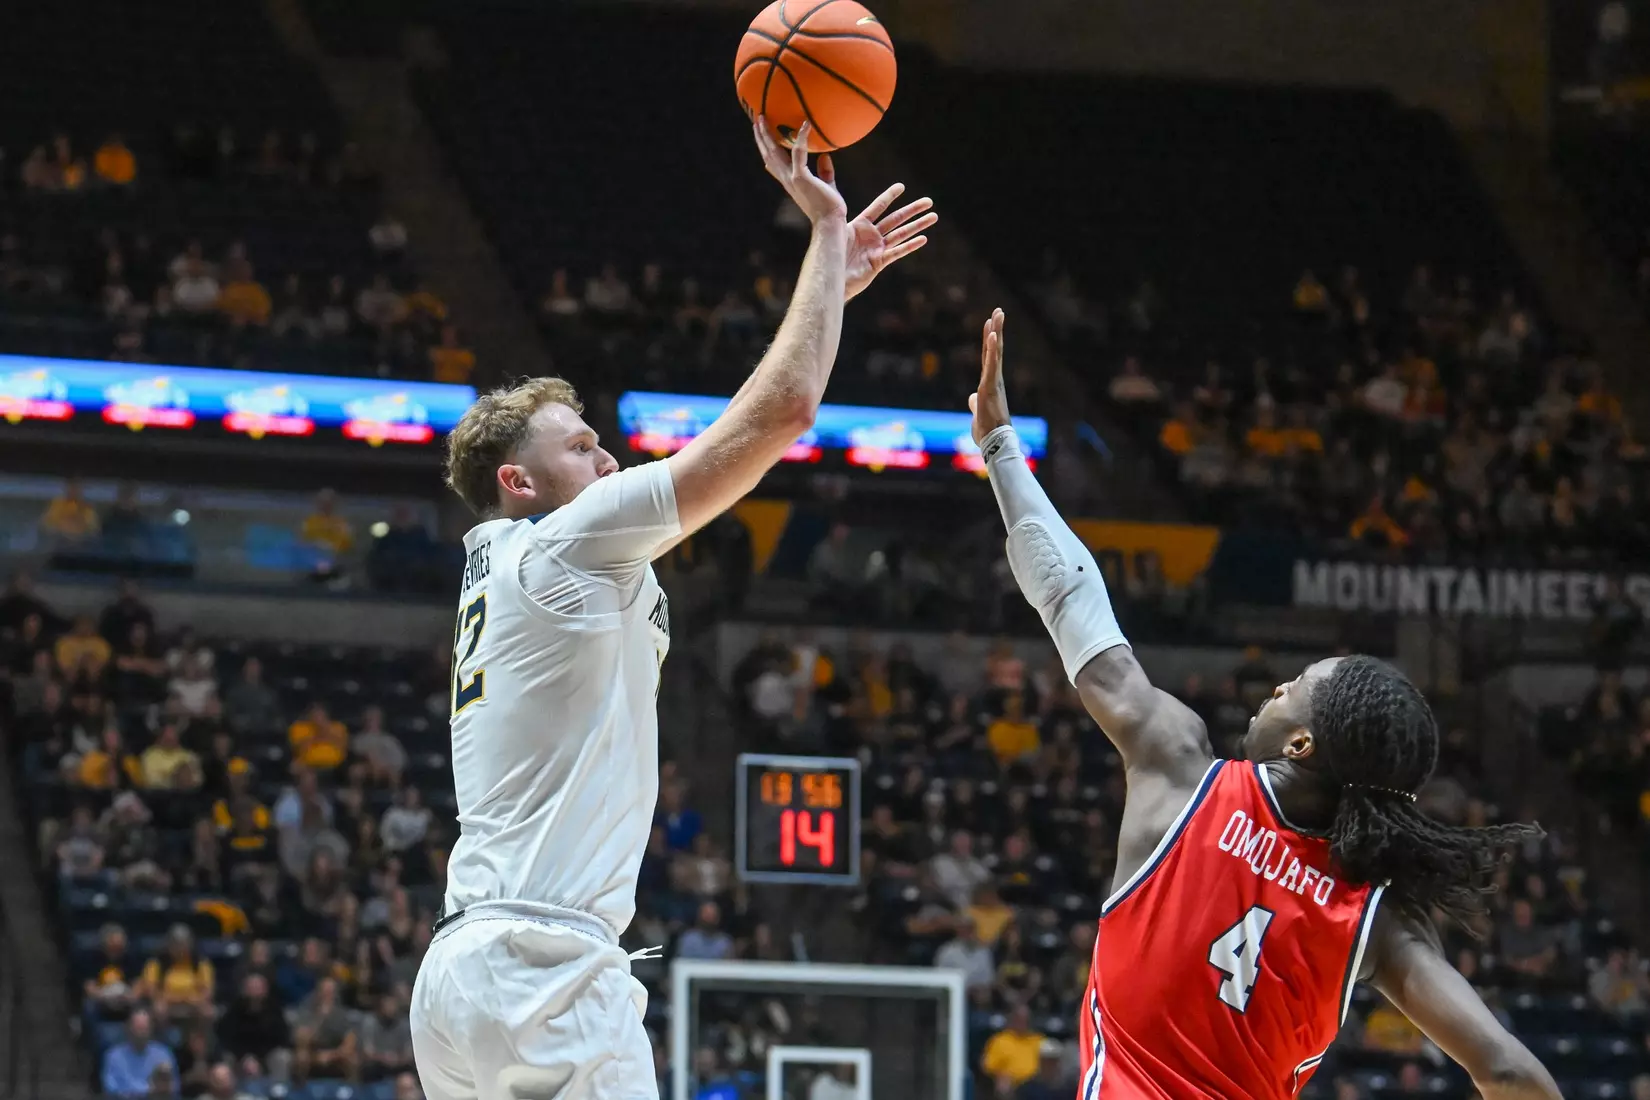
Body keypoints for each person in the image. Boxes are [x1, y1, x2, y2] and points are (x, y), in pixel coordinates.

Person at [408, 115, 936, 1100]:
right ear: (520, 480)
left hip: (458, 971)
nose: (609, 460)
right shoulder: (566, 541)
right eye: (583, 446)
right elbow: (780, 414)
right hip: (548, 965)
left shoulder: (506, 565)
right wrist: (822, 240)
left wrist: (827, 294)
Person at [966, 309, 1561, 1100]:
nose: (1279, 687)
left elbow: (1070, 597)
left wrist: (1001, 448)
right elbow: (1510, 1069)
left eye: (1298, 686)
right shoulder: (1377, 919)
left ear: (1304, 745)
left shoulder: (1180, 767)